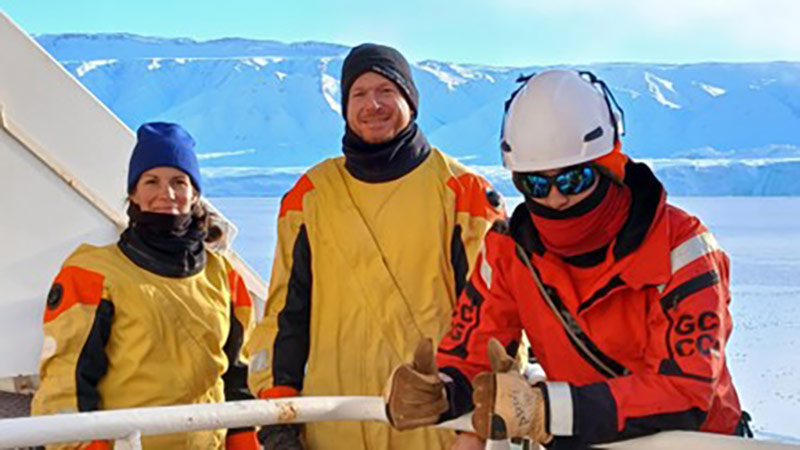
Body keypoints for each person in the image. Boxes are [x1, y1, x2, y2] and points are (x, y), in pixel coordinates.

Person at [384, 70, 745, 448]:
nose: (555, 198)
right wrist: (443, 390)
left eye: (573, 179)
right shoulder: (509, 251)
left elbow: (685, 390)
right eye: (535, 184)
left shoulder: (681, 249)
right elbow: (474, 349)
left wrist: (549, 410)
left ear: (609, 164)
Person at [246, 43, 505, 449]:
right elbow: (285, 314)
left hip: (434, 429)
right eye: (359, 94)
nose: (373, 105)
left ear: (409, 100)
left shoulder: (462, 192)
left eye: (386, 90)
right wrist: (279, 412)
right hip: (332, 426)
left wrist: (474, 427)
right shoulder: (311, 195)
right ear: (345, 105)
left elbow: (494, 314)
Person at [31, 123, 259, 450]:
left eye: (179, 182)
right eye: (151, 181)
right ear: (133, 194)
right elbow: (65, 382)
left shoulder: (223, 274)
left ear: (195, 194)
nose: (166, 194)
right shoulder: (91, 274)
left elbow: (238, 376)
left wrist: (245, 442)